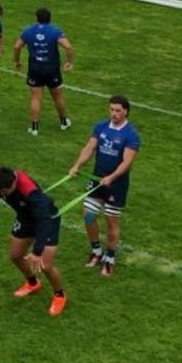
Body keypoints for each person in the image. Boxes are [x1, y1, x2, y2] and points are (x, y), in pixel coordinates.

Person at [0, 166, 68, 317]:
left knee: (45, 265)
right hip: (26, 219)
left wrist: (37, 251)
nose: (1, 195)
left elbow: (44, 220)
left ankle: (60, 295)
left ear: (14, 184)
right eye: (0, 191)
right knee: (15, 255)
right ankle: (33, 283)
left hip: (47, 221)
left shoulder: (31, 192)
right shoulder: (0, 184)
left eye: (5, 192)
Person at [66, 95, 141, 278]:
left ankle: (110, 258)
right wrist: (77, 166)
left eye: (118, 110)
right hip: (97, 179)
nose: (114, 114)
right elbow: (89, 148)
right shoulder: (101, 127)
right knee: (88, 216)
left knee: (110, 220)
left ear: (126, 111)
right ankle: (96, 251)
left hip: (116, 184)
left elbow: (127, 162)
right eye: (111, 110)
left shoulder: (131, 135)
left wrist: (112, 177)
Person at [13, 7, 73, 135]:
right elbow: (67, 46)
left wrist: (17, 61)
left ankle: (34, 128)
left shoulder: (28, 31)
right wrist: (68, 62)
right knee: (57, 96)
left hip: (35, 68)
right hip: (52, 68)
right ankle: (63, 122)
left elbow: (17, 46)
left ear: (36, 18)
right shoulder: (54, 31)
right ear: (49, 19)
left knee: (35, 97)